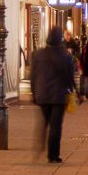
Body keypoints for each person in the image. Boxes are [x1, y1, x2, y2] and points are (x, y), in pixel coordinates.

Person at [31, 26, 75, 164]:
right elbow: (70, 77)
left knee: (45, 122)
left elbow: (33, 76)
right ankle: (53, 155)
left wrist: (34, 93)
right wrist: (74, 91)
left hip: (42, 95)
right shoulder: (66, 56)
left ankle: (40, 144)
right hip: (59, 96)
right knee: (55, 127)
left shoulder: (37, 55)